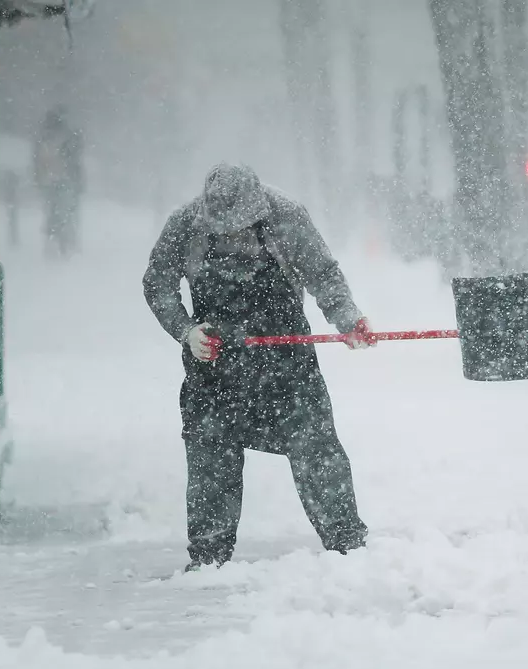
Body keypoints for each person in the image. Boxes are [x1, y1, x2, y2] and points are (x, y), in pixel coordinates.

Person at [143, 163, 374, 571]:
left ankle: (348, 546)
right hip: (213, 366)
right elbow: (157, 283)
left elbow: (323, 273)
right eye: (225, 232)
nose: (234, 240)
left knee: (317, 450)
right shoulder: (184, 224)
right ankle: (209, 558)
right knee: (211, 460)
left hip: (286, 364)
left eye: (243, 230)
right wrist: (186, 330)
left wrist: (348, 318)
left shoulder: (287, 216)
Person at [33, 107, 85, 257]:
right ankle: (63, 241)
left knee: (57, 212)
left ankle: (59, 241)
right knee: (63, 212)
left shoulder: (47, 139)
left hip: (55, 181)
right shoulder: (67, 138)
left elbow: (39, 161)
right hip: (60, 181)